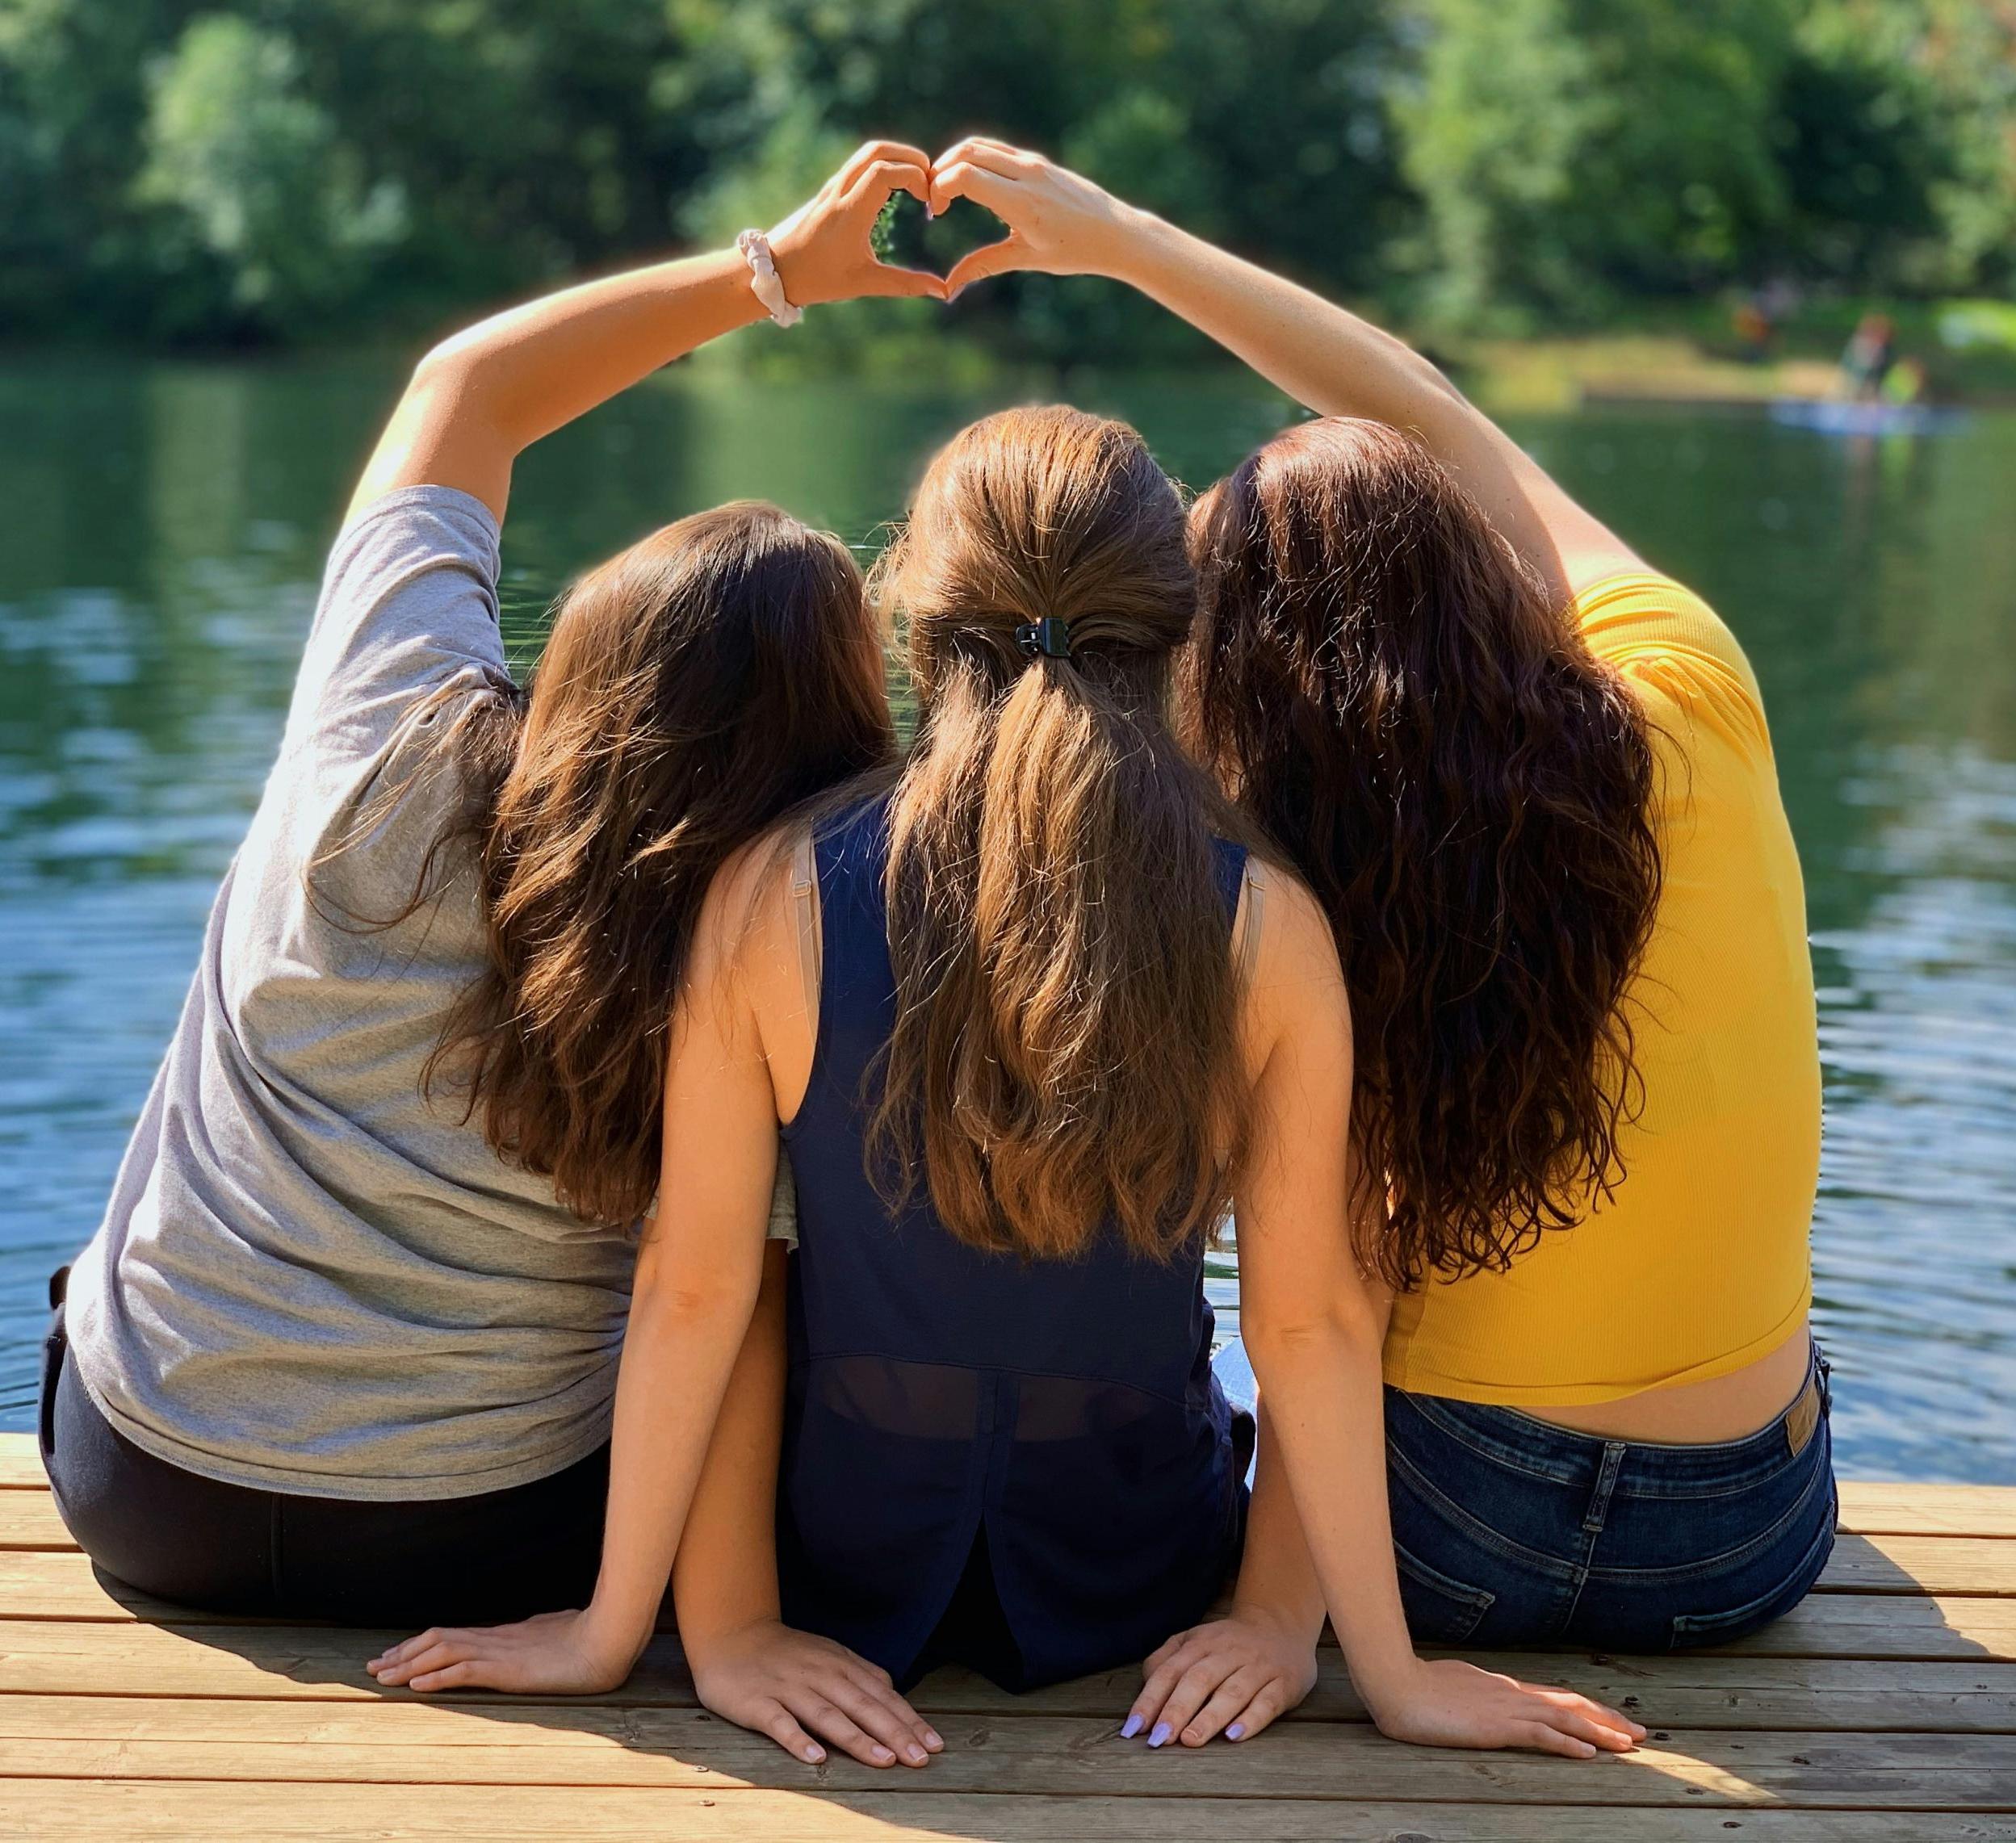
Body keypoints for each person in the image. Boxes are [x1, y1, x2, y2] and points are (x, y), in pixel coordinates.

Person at [367, 400, 1643, 1769]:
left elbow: (695, 1282)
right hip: (1134, 1571)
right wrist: (1353, 1659)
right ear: (1175, 629)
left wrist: (634, 1631)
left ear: (919, 618)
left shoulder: (769, 892)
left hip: (835, 1567)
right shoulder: (1269, 920)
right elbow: (1311, 1323)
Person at [924, 139, 1830, 1734]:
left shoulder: (1301, 897)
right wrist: (1126, 238)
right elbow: (1429, 408)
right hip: (1742, 1545)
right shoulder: (1687, 681)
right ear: (1478, 587)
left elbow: (1317, 1300)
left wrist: (1282, 1612)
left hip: (1435, 1546)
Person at [40, 141, 941, 1636]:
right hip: (490, 1540)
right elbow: (726, 1305)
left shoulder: (377, 736)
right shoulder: (782, 930)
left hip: (149, 1493)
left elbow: (465, 388)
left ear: (585, 649)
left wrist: (770, 270)